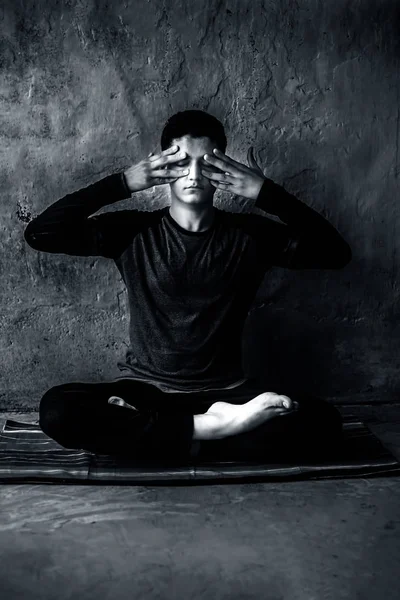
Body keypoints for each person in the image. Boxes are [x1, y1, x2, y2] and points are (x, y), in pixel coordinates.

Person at [24, 109, 352, 464]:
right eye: (181, 163)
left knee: (322, 422)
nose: (194, 175)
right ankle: (213, 431)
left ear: (222, 169)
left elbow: (335, 253)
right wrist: (122, 183)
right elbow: (41, 233)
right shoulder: (131, 232)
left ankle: (168, 435)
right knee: (58, 410)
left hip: (228, 393)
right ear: (162, 168)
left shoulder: (250, 236)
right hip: (147, 392)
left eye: (206, 164)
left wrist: (265, 193)